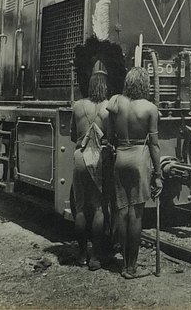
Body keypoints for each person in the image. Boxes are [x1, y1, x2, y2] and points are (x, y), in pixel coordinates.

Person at [107, 67, 163, 279]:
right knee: (136, 213)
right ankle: (132, 267)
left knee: (121, 211)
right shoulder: (150, 108)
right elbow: (155, 146)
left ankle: (123, 263)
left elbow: (110, 136)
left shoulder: (115, 102)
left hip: (121, 155)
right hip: (140, 158)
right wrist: (158, 174)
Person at [70, 68, 113, 270]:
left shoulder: (77, 106)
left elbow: (72, 136)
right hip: (99, 158)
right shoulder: (108, 108)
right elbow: (112, 137)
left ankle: (81, 255)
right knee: (98, 207)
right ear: (105, 87)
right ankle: (95, 257)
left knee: (80, 208)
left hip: (80, 157)